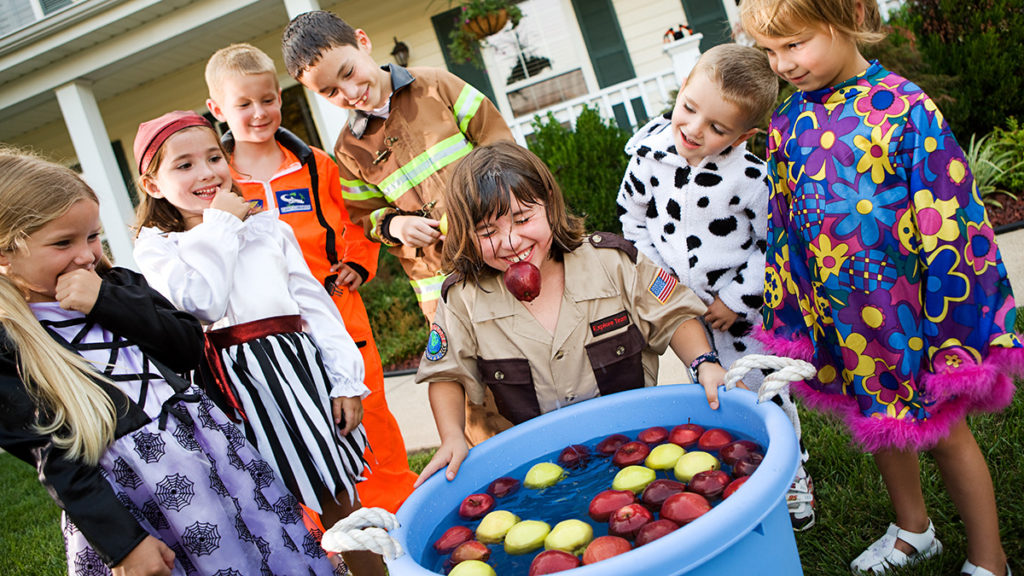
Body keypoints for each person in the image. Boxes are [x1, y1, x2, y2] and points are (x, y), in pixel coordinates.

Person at [740, 1, 1023, 575]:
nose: (783, 64)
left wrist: (955, 315)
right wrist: (792, 310)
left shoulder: (904, 108)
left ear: (844, 18)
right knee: (879, 422)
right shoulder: (787, 122)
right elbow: (786, 225)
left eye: (794, 45)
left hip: (912, 312)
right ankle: (914, 528)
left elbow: (951, 215)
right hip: (845, 316)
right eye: (769, 52)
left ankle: (991, 560)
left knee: (945, 433)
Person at [0, 147, 338, 576]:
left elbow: (187, 347)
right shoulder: (13, 343)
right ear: (5, 254)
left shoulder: (118, 285)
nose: (86, 255)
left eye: (92, 237)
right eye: (62, 243)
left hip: (213, 460)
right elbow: (57, 458)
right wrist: (124, 546)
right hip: (138, 498)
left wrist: (107, 303)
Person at [131, 111, 385, 576]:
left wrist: (346, 380)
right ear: (152, 185)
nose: (206, 172)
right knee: (267, 509)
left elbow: (316, 309)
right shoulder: (157, 248)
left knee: (337, 496)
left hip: (296, 374)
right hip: (229, 389)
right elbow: (201, 303)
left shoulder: (269, 228)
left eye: (213, 157)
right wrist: (220, 227)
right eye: (184, 166)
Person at [413, 141, 730, 486]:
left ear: (550, 205)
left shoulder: (611, 262)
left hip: (637, 446)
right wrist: (451, 436)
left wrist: (703, 363)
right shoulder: (463, 299)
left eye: (522, 219)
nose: (510, 241)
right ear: (466, 235)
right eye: (487, 231)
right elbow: (446, 373)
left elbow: (674, 315)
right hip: (538, 472)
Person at [281, 10, 518, 444]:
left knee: (528, 351)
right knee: (473, 382)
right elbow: (363, 217)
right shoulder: (348, 150)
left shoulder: (437, 85)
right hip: (439, 285)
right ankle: (499, 461)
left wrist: (483, 209)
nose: (350, 92)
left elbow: (499, 144)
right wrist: (395, 226)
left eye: (349, 73)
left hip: (502, 253)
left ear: (363, 41)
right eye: (331, 92)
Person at [203, 42, 417, 515]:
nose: (259, 113)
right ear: (217, 109)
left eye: (268, 100)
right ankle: (329, 538)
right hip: (269, 329)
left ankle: (402, 513)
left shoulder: (316, 164)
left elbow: (357, 217)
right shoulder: (215, 178)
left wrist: (359, 261)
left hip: (338, 313)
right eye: (243, 105)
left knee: (372, 417)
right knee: (300, 431)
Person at [616, 43, 815, 531]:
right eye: (688, 108)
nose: (693, 129)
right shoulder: (647, 155)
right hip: (684, 311)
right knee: (713, 394)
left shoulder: (749, 178)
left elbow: (777, 243)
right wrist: (664, 286)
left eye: (717, 128)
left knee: (764, 392)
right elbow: (632, 222)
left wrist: (737, 296)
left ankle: (791, 474)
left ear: (743, 135)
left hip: (737, 316)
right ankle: (737, 474)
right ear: (682, 89)